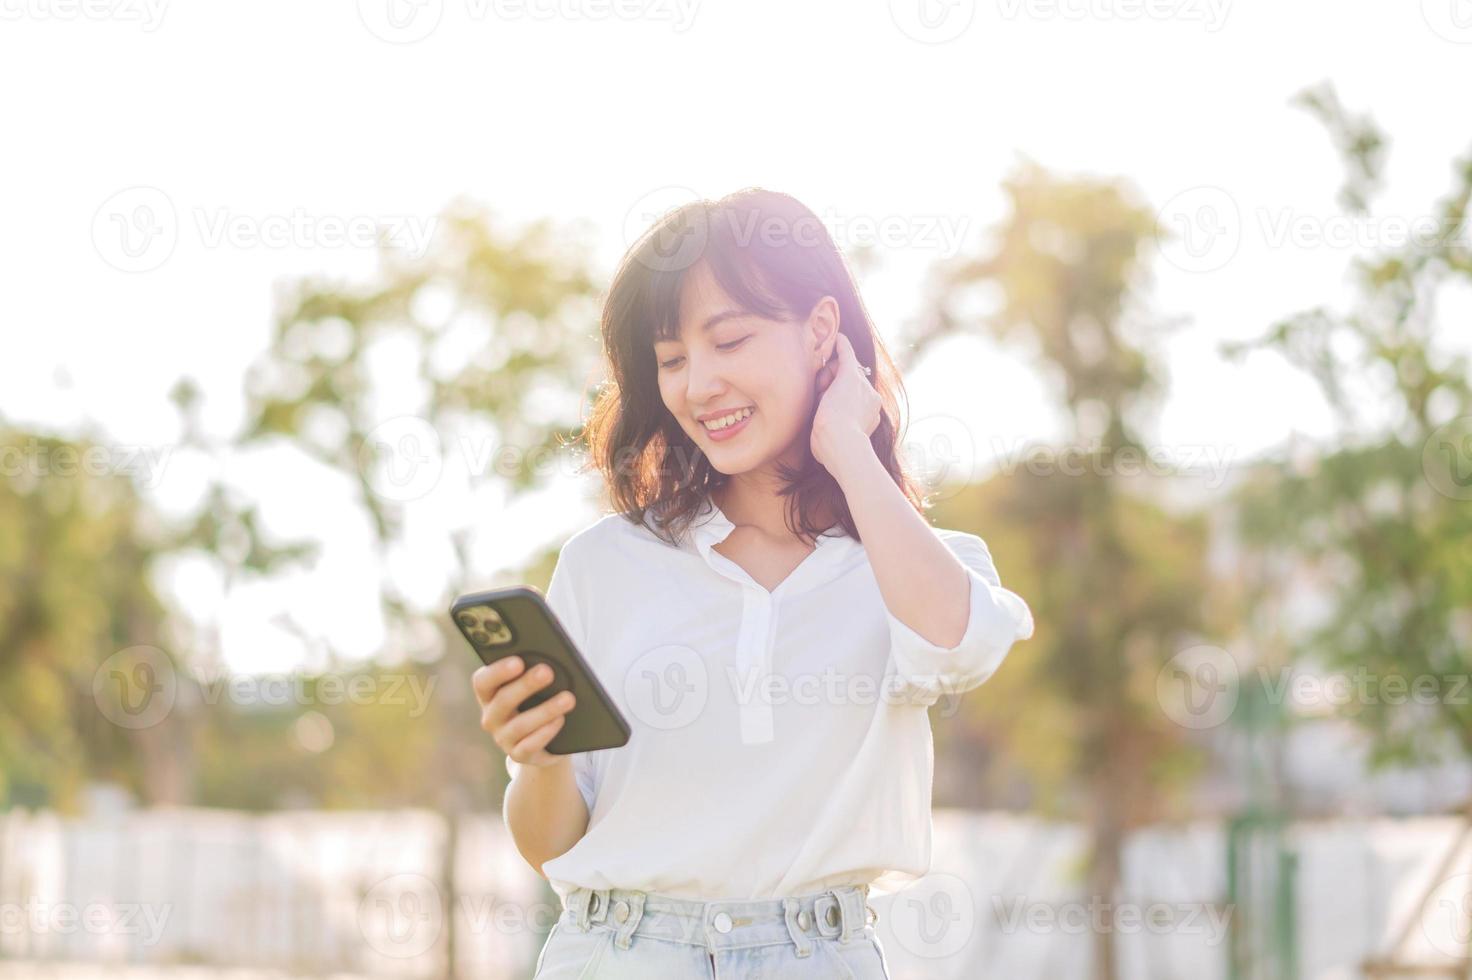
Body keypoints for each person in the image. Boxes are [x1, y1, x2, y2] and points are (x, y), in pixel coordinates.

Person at [472, 188, 1035, 978]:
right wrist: (538, 758)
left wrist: (849, 446)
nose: (698, 385)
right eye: (671, 360)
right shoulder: (606, 564)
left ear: (820, 332)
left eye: (728, 340)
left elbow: (958, 647)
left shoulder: (910, 559)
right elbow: (550, 845)